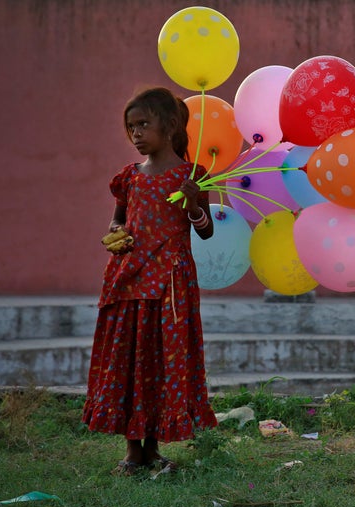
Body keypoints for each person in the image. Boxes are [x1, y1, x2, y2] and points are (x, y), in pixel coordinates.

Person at [82, 87, 218, 476]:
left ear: (171, 126)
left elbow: (205, 233)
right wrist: (115, 233)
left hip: (170, 287)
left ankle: (153, 446)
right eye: (131, 127)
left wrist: (193, 204)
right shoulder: (130, 178)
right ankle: (132, 449)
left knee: (162, 360)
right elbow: (118, 220)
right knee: (130, 359)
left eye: (143, 124)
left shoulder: (192, 176)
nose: (136, 133)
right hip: (129, 282)